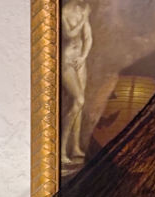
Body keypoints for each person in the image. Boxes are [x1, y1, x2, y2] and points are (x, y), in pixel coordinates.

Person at [60, 0, 92, 168]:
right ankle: (62, 150)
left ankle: (75, 147)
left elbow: (88, 37)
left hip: (79, 61)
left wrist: (84, 57)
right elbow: (70, 35)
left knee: (79, 105)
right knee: (78, 100)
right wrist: (83, 18)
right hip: (66, 61)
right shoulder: (63, 11)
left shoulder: (82, 9)